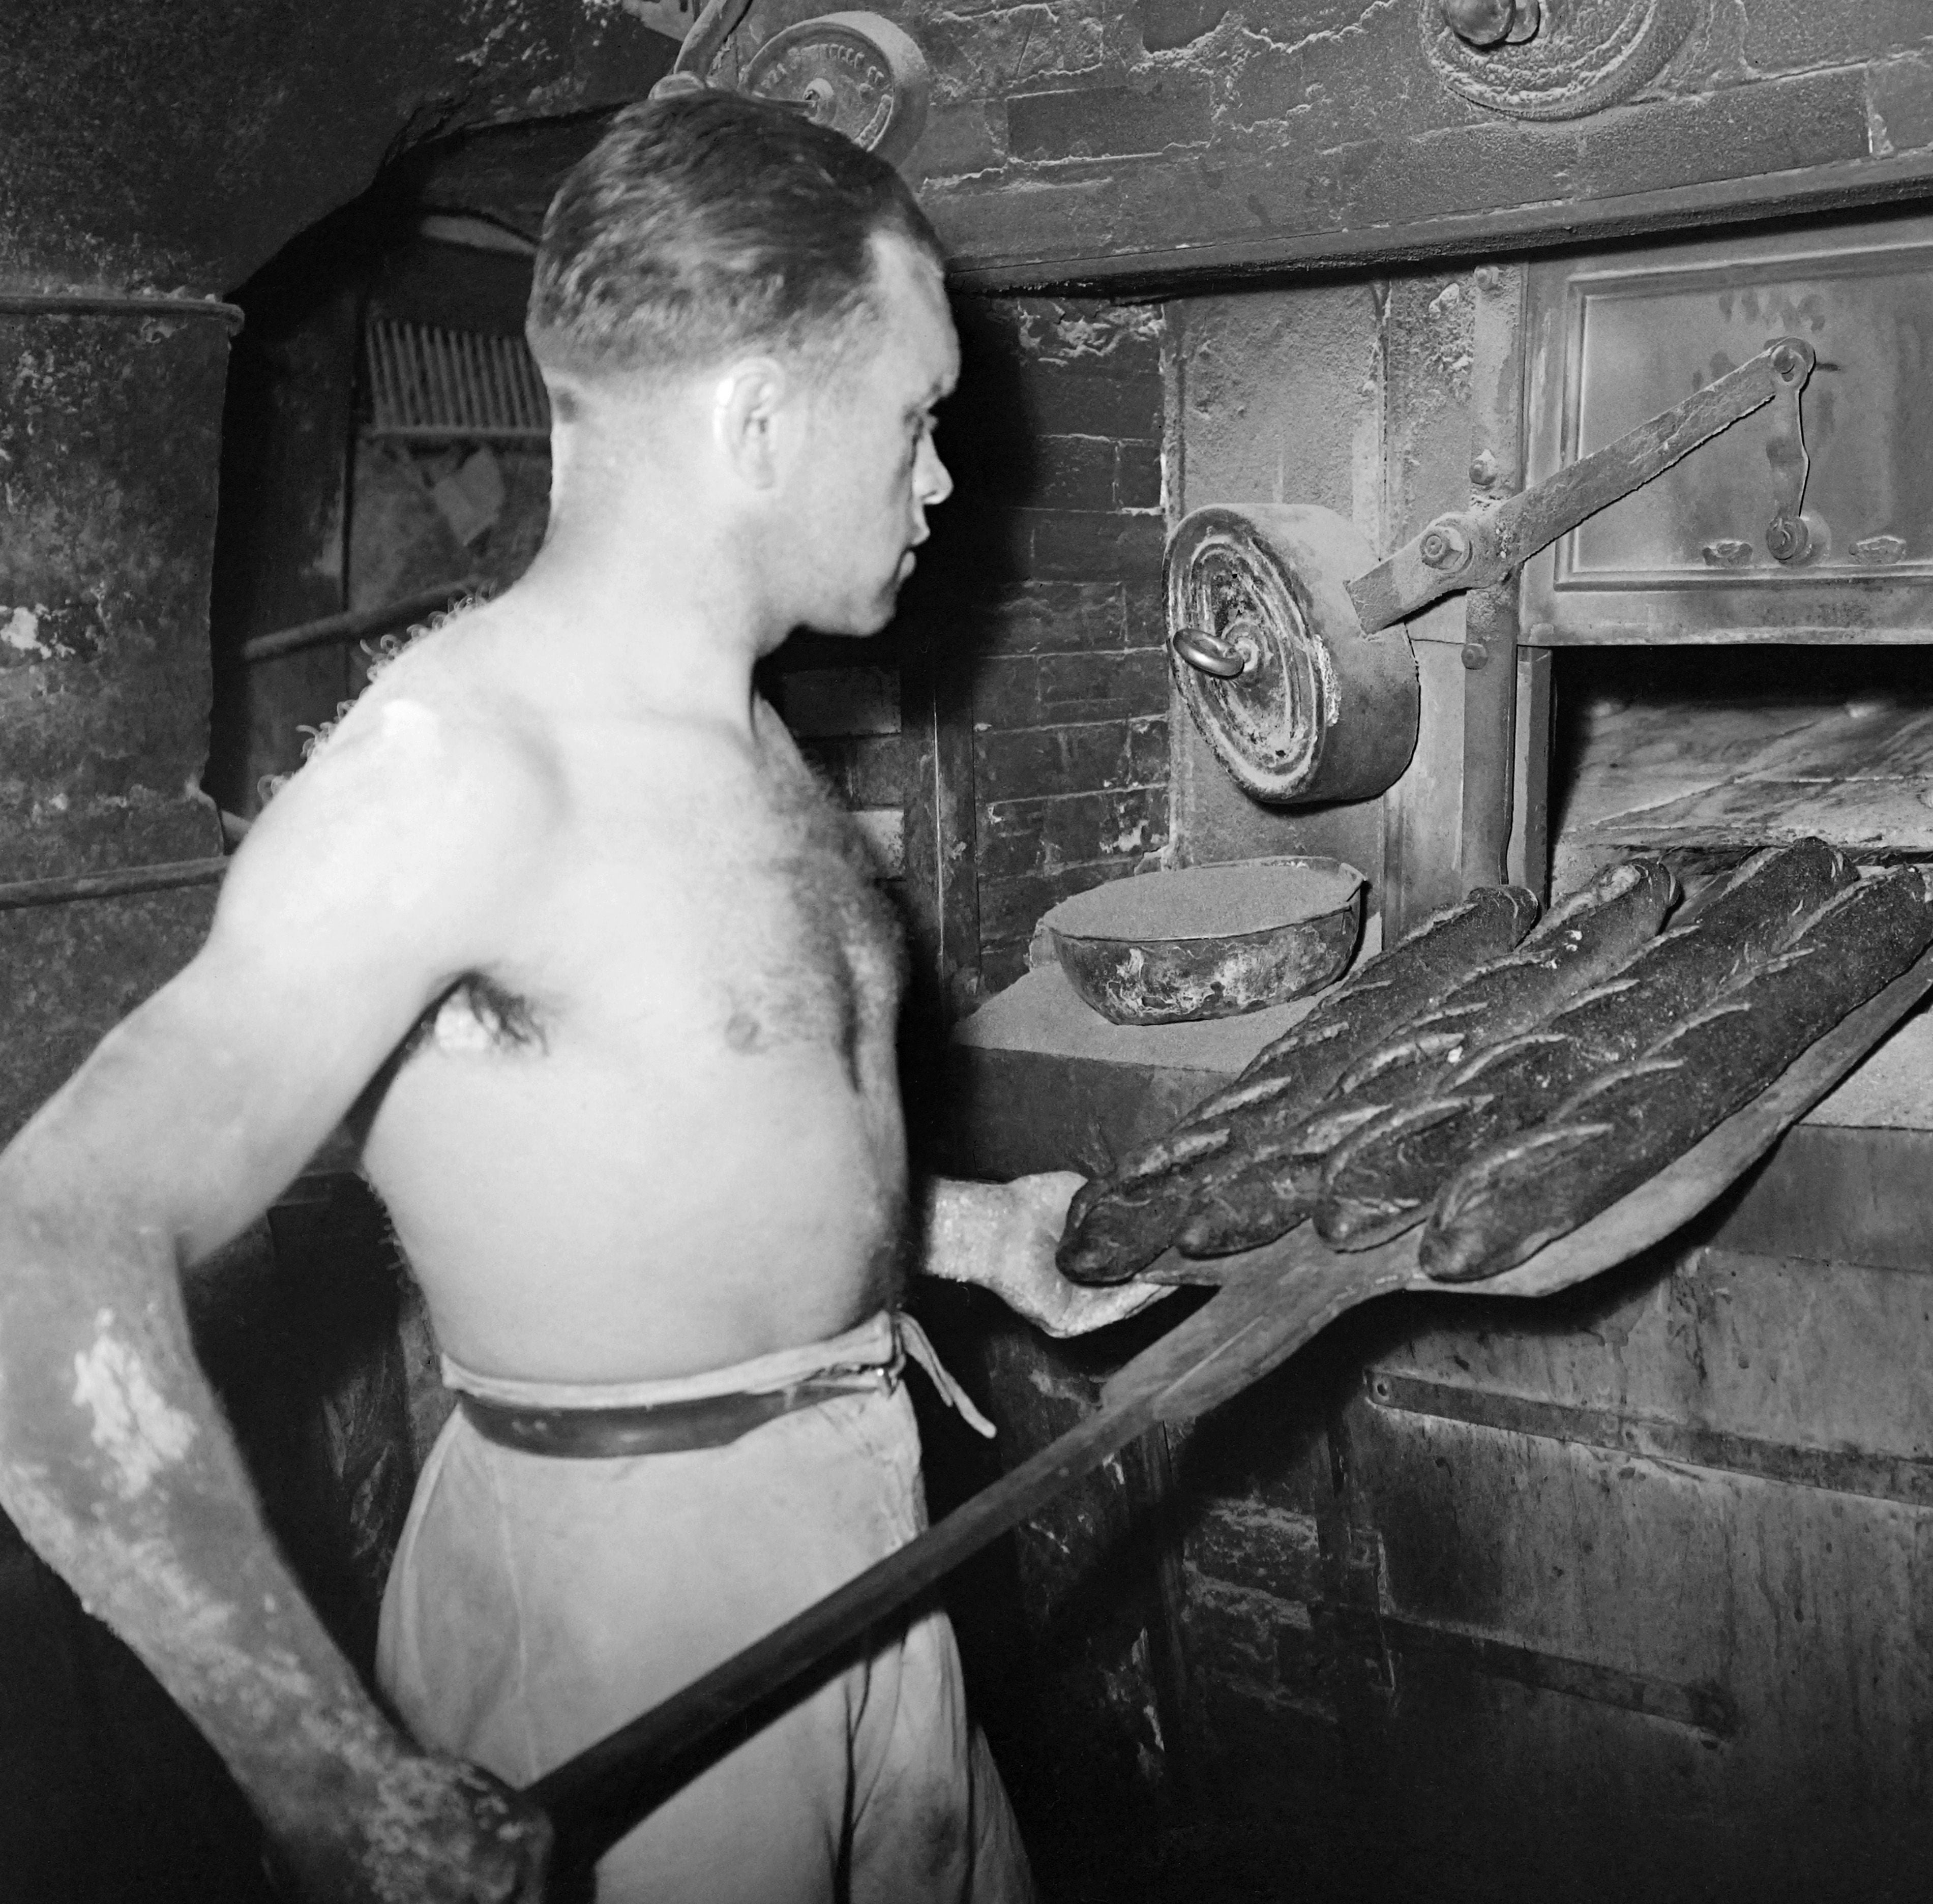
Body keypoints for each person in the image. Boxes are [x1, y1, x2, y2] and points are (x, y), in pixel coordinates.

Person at [0, 90, 1157, 1902]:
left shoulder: (746, 736)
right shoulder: (461, 769)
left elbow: (674, 1121)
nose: (943, 478)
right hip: (627, 1612)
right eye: (919, 417)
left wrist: (968, 1228)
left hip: (866, 1545)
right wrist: (326, 1775)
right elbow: (45, 1252)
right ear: (762, 416)